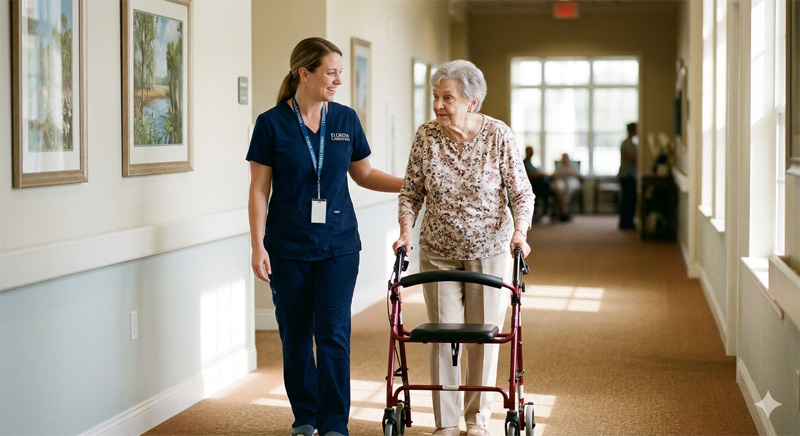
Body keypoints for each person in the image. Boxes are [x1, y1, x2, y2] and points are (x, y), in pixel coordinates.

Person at [247, 37, 403, 436]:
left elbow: (364, 174)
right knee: (296, 335)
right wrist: (257, 245)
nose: (338, 80)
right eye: (330, 72)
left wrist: (411, 184)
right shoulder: (271, 123)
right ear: (305, 73)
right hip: (288, 247)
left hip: (339, 245)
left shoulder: (346, 120)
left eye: (340, 73)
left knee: (333, 333)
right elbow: (259, 189)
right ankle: (305, 417)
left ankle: (334, 424)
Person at [392, 60, 534, 436]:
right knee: (442, 335)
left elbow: (521, 193)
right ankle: (446, 423)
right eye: (435, 96)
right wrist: (405, 231)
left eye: (448, 98)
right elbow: (411, 192)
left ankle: (477, 420)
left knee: (482, 337)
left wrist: (520, 232)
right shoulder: (426, 136)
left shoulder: (498, 135)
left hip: (489, 249)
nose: (438, 105)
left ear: (472, 102)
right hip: (437, 249)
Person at [550, 152, 582, 221]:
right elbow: (553, 175)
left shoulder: (573, 165)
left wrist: (570, 172)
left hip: (571, 180)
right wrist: (560, 173)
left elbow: (579, 176)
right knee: (559, 187)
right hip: (561, 180)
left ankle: (564, 208)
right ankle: (561, 210)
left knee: (569, 186)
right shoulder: (559, 166)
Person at [618, 122, 638, 229]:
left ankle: (627, 221)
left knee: (629, 199)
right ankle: (626, 222)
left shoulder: (630, 143)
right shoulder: (628, 143)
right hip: (626, 176)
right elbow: (631, 158)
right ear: (632, 130)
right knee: (628, 200)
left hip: (629, 175)